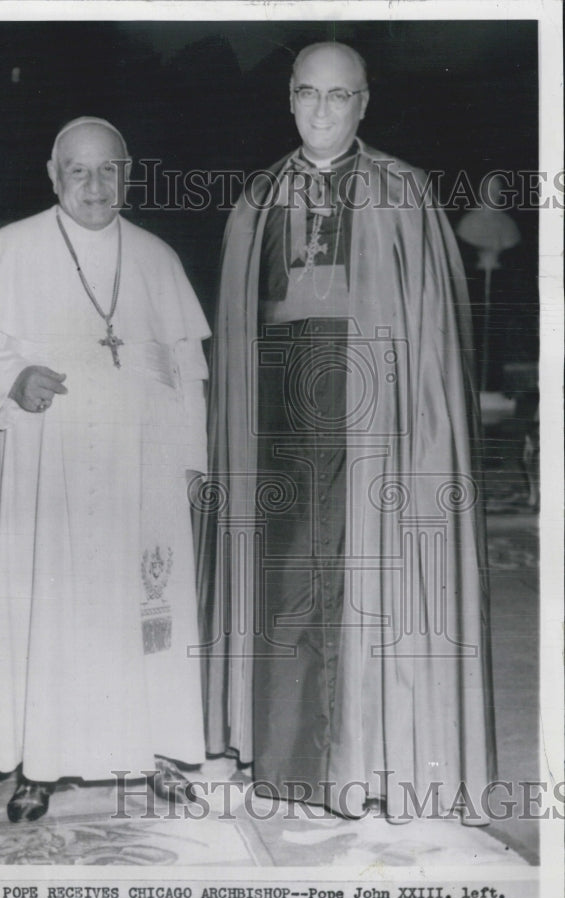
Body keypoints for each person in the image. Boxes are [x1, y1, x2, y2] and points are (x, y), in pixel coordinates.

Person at [200, 43, 496, 824]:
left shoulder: (404, 193)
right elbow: (234, 341)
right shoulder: (257, 199)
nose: (323, 110)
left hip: (375, 427)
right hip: (278, 427)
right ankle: (286, 762)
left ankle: (370, 762)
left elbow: (432, 346)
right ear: (288, 99)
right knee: (285, 583)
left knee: (371, 583)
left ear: (363, 103)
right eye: (309, 94)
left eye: (340, 96)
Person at [0, 117, 210, 822]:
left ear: (128, 173)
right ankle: (40, 761)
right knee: (48, 612)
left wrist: (193, 463)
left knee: (144, 610)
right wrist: (13, 375)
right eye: (78, 171)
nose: (94, 185)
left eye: (108, 169)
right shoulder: (10, 248)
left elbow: (188, 369)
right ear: (53, 176)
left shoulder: (155, 257)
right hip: (43, 465)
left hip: (141, 474)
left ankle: (152, 748)